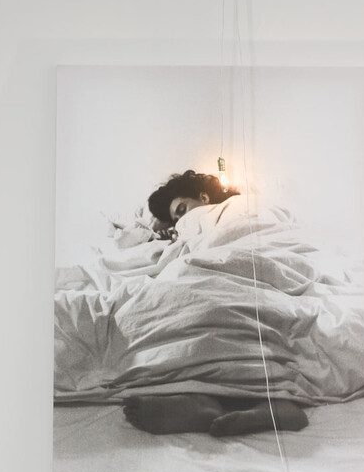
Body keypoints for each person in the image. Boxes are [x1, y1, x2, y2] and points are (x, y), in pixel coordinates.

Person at [125, 170, 309, 438]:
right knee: (205, 298)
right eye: (176, 218)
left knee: (199, 290)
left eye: (182, 209)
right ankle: (274, 403)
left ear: (203, 196)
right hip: (233, 257)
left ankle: (204, 397)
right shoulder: (186, 227)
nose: (182, 219)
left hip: (255, 248)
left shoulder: (240, 206)